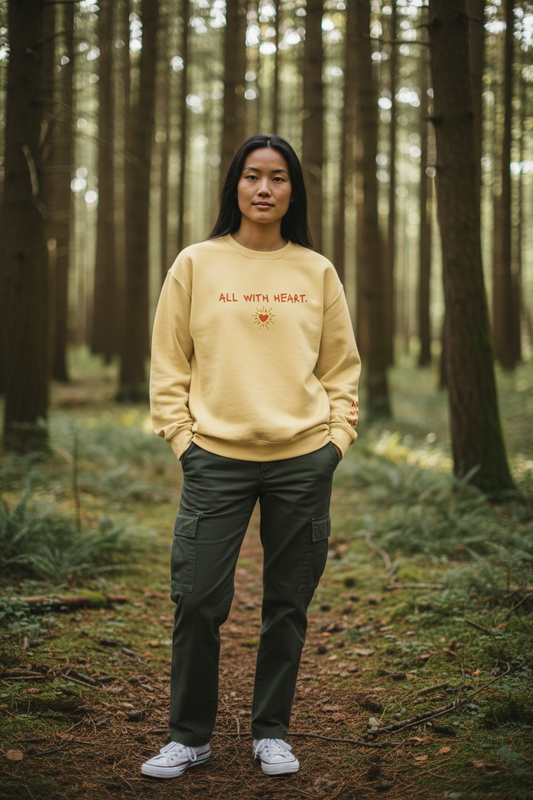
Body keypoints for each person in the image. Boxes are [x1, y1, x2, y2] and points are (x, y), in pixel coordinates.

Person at [142, 134, 361, 780]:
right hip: (213, 458)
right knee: (197, 599)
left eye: (277, 178)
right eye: (251, 176)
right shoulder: (195, 264)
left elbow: (341, 368)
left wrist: (334, 442)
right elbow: (166, 364)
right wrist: (182, 439)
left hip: (302, 459)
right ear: (233, 186)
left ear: (293, 190)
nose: (263, 189)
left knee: (286, 603)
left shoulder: (314, 270)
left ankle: (271, 731)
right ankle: (189, 736)